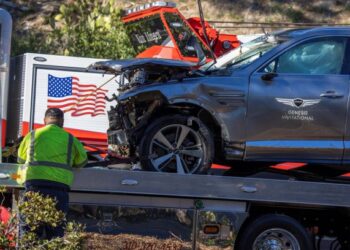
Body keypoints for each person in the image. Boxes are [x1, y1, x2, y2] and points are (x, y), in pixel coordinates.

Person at [17, 108, 87, 239]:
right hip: (59, 190)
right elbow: (82, 162)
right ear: (62, 122)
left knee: (30, 232)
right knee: (55, 233)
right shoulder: (70, 138)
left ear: (45, 120)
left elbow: (20, 159)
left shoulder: (32, 135)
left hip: (34, 187)